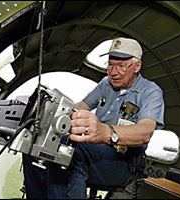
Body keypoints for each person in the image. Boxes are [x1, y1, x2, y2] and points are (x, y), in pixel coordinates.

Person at [22, 37, 165, 199]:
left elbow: (145, 132)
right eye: (110, 65)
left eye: (121, 66)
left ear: (137, 66)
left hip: (124, 164)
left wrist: (105, 132)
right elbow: (81, 106)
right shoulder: (106, 84)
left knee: (69, 153)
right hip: (94, 153)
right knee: (36, 143)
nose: (113, 72)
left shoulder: (151, 92)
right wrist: (53, 111)